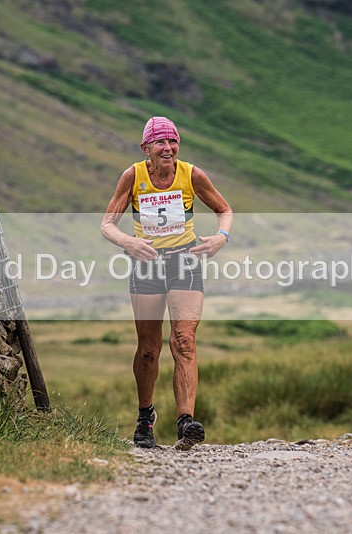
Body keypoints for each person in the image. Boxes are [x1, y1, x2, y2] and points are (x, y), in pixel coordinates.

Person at [100, 117, 233, 450]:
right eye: (160, 143)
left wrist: (220, 238)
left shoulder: (191, 174)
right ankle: (145, 417)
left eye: (173, 142)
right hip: (146, 263)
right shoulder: (133, 176)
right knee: (149, 349)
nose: (168, 149)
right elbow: (107, 224)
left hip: (184, 260)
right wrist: (127, 243)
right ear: (146, 148)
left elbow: (224, 210)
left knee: (184, 340)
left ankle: (186, 421)